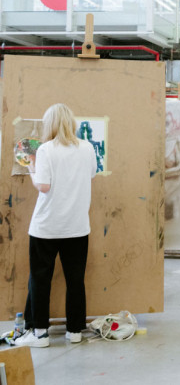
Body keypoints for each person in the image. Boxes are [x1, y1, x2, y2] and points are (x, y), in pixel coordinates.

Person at [15, 104, 97, 348]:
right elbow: (91, 175)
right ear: (70, 122)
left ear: (49, 124)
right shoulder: (87, 147)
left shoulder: (45, 150)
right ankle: (74, 331)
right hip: (78, 226)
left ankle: (40, 333)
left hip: (47, 226)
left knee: (40, 279)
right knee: (75, 280)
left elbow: (43, 186)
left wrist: (31, 167)